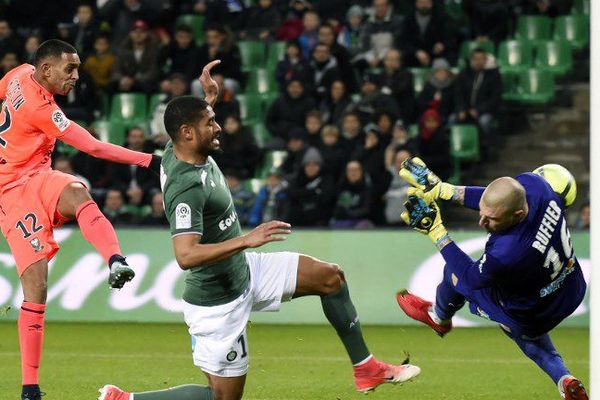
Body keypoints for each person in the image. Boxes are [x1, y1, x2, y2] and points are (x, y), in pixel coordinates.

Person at [98, 60, 420, 400]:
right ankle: (126, 399)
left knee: (331, 278)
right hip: (217, 301)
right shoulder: (186, 187)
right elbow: (185, 255)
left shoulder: (180, 149)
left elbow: (191, 123)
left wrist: (209, 99)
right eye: (211, 123)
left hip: (244, 272)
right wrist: (245, 240)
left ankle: (365, 367)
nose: (218, 127)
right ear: (187, 133)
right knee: (222, 398)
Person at [0, 39, 160, 400]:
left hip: (38, 175)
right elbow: (95, 147)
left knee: (79, 194)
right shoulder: (43, 108)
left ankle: (116, 260)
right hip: (11, 192)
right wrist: (149, 160)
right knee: (37, 287)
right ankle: (29, 386)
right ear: (46, 70)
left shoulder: (18, 74)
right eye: (69, 69)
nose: (76, 76)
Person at [396, 157, 589, 400]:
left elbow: (469, 279)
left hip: (533, 312)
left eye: (492, 220)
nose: (482, 221)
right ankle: (565, 381)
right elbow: (493, 199)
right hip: (571, 288)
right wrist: (444, 190)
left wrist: (436, 231)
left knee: (455, 274)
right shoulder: (537, 189)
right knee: (532, 333)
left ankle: (438, 317)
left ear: (518, 214)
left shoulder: (507, 252)